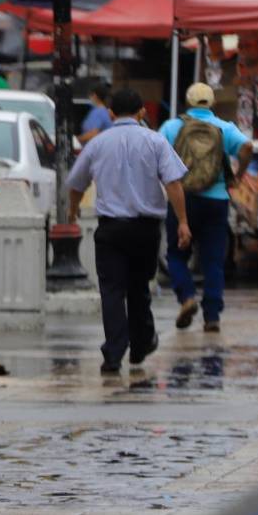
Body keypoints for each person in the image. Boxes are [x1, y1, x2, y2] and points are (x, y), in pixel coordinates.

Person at [65, 89, 192, 375]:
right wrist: (183, 220)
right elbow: (173, 183)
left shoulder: (97, 144)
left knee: (111, 290)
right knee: (138, 288)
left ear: (110, 113)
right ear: (142, 112)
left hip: (110, 229)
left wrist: (73, 212)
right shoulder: (155, 141)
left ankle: (113, 353)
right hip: (145, 229)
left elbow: (76, 183)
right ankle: (140, 344)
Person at [160, 83, 253, 333]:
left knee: (177, 254)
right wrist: (238, 174)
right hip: (216, 201)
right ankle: (212, 316)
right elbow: (247, 148)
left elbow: (156, 156)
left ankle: (187, 296)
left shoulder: (172, 127)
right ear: (211, 103)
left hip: (182, 199)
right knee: (213, 261)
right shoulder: (224, 128)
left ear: (188, 101)